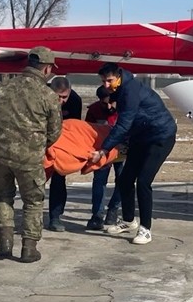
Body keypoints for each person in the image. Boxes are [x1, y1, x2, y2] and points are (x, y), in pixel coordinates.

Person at [0, 46, 62, 262]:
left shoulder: (1, 89)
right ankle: (29, 248)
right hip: (28, 158)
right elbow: (54, 132)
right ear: (46, 69)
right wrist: (36, 145)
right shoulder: (48, 95)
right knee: (33, 200)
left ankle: (5, 242)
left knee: (2, 196)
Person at [90, 62, 176, 246]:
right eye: (103, 81)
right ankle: (129, 221)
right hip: (141, 136)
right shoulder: (120, 89)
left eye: (109, 80)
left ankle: (145, 229)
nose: (106, 85)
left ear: (119, 76)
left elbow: (123, 124)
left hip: (160, 137)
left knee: (143, 182)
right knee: (125, 179)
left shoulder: (130, 91)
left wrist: (104, 149)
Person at [46, 75, 84, 232]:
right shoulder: (42, 97)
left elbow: (72, 127)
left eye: (64, 97)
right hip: (39, 140)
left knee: (59, 178)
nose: (61, 101)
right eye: (58, 97)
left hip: (60, 142)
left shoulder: (74, 100)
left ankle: (55, 216)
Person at [84, 85, 123, 231]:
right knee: (99, 181)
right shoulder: (94, 110)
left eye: (110, 102)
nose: (108, 106)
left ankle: (113, 209)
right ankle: (97, 215)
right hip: (102, 151)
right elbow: (88, 131)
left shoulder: (124, 109)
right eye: (103, 102)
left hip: (121, 149)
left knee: (123, 180)